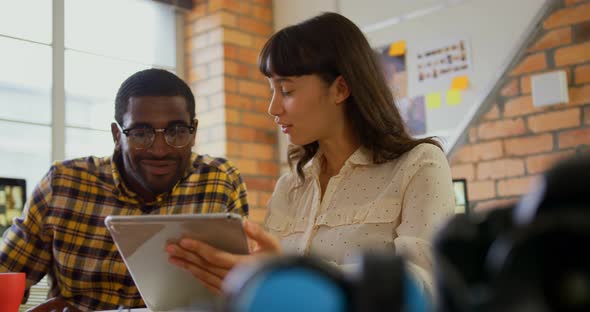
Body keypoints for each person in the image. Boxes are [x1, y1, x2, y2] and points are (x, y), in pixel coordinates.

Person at [165, 12, 454, 298]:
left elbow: (424, 283)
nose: (273, 108)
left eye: (286, 90)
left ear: (340, 88)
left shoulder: (419, 164)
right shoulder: (290, 187)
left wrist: (295, 273)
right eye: (272, 90)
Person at [0, 69, 249, 311]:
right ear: (117, 135)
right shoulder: (63, 184)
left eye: (176, 131)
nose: (160, 150)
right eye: (141, 133)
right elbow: (6, 273)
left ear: (193, 131)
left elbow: (246, 285)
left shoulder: (219, 181)